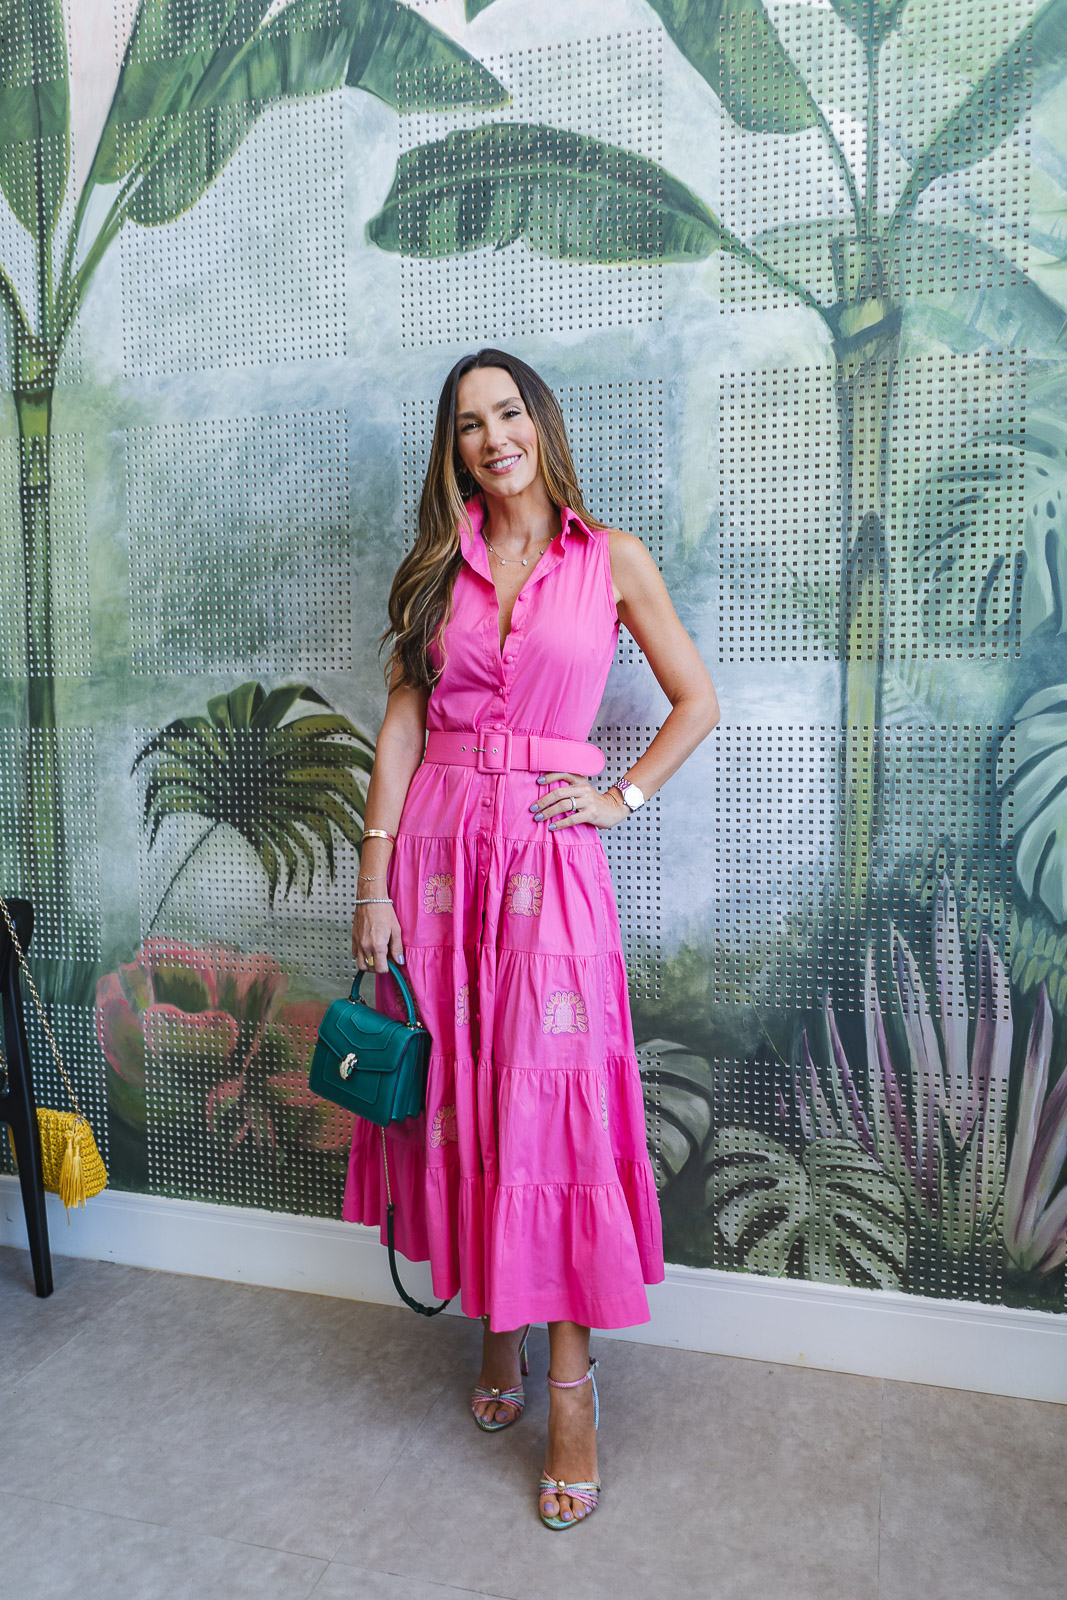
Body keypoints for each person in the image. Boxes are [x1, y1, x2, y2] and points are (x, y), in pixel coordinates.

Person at [343, 348, 719, 1529]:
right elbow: (401, 724)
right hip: (438, 859)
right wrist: (372, 874)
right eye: (468, 423)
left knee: (548, 1108)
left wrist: (621, 796)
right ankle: (493, 1332)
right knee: (462, 1093)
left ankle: (568, 1392)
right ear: (452, 449)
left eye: (507, 412)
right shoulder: (432, 568)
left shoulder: (611, 559)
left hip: (547, 862)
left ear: (540, 424)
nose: (492, 437)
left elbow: (695, 699)